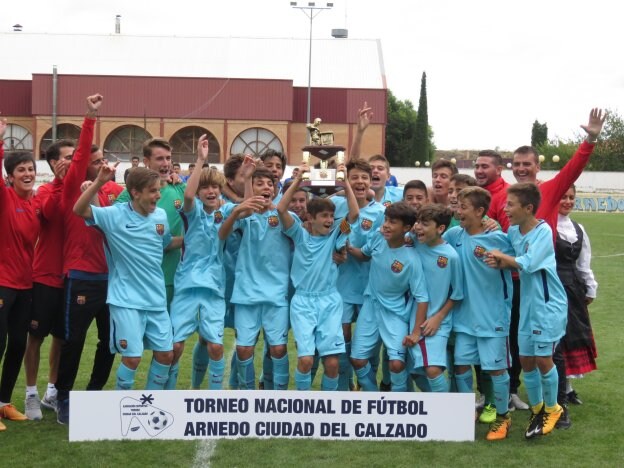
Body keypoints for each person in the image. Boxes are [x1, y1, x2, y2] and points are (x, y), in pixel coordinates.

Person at [74, 164, 182, 392]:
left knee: (166, 355)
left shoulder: (160, 216)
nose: (158, 196)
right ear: (136, 192)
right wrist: (99, 183)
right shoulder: (115, 214)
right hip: (125, 300)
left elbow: (165, 244)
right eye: (153, 191)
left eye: (158, 190)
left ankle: (154, 406)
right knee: (132, 358)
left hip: (156, 300)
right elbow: (79, 209)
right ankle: (123, 409)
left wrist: (195, 239)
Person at [55, 94, 123, 425]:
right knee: (73, 342)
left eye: (102, 162)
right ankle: (65, 398)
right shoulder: (71, 189)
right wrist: (90, 117)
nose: (100, 165)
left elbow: (138, 201)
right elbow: (81, 154)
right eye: (94, 162)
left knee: (110, 342)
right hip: (81, 277)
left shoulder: (113, 193)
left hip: (112, 281)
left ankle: (95, 394)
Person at [485, 183, 568, 439]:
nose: (505, 208)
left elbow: (528, 264)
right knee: (526, 360)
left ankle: (553, 408)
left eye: (510, 204)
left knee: (544, 360)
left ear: (528, 208)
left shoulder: (543, 231)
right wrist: (492, 228)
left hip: (547, 305)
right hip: (527, 306)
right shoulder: (512, 231)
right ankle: (537, 409)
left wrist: (503, 258)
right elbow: (507, 253)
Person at [277, 161, 359, 391]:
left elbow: (354, 214)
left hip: (330, 301)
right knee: (305, 360)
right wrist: (298, 180)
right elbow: (281, 210)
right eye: (323, 216)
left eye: (331, 216)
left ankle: (327, 410)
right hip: (303, 302)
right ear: (310, 218)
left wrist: (345, 183)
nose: (328, 220)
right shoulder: (299, 235)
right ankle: (303, 408)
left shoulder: (335, 237)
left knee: (332, 362)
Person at [442, 187, 514, 441]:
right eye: (457, 206)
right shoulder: (453, 235)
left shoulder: (499, 239)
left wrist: (504, 260)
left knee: (496, 370)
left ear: (480, 212)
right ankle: (466, 411)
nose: (458, 211)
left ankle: (503, 419)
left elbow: (521, 262)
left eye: (463, 207)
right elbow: (430, 240)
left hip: (492, 318)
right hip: (463, 318)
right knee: (461, 365)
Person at [218, 166, 293, 391]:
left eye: (270, 184)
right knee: (243, 349)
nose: (266, 187)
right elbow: (222, 234)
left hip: (276, 294)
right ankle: (248, 396)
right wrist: (236, 211)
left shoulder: (284, 215)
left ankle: (280, 397)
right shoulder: (242, 215)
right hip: (246, 293)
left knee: (278, 349)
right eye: (259, 183)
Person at [348, 202, 429, 392]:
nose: (385, 225)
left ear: (407, 228)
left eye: (392, 222)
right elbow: (365, 255)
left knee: (397, 364)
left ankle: (398, 403)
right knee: (357, 360)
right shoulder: (378, 236)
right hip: (370, 305)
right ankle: (374, 398)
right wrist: (348, 248)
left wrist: (416, 332)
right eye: (385, 220)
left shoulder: (411, 258)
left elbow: (422, 297)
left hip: (395, 312)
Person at [23, 140, 73, 420]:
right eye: (67, 157)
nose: (71, 161)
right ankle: (30, 393)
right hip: (44, 275)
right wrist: (61, 182)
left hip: (72, 275)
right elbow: (52, 214)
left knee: (62, 338)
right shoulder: (44, 190)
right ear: (54, 163)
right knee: (36, 337)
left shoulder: (81, 186)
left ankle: (51, 391)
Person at [0, 118, 43, 430]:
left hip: (26, 285)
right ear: (10, 176)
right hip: (2, 283)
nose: (27, 174)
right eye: (21, 170)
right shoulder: (5, 199)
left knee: (18, 343)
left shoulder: (34, 205)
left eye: (30, 169)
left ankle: (3, 403)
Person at [332, 159, 385, 390]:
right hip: (340, 286)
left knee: (368, 345)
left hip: (369, 287)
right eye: (355, 177)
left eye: (364, 177)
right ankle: (345, 387)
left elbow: (380, 249)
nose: (360, 182)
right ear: (346, 181)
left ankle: (368, 391)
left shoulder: (381, 212)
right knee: (342, 339)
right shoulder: (332, 204)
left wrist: (352, 250)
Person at [115, 138, 185, 311]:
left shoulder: (179, 188)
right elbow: (115, 227)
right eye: (160, 159)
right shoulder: (130, 194)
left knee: (170, 334)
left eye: (168, 158)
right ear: (146, 162)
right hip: (138, 279)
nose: (166, 163)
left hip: (173, 277)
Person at [553, 185, 598, 428]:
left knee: (572, 337)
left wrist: (590, 287)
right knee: (557, 341)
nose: (568, 201)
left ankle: (567, 388)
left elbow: (584, 263)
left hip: (573, 290)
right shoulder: (547, 226)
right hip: (552, 287)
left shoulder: (578, 229)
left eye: (572, 197)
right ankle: (557, 391)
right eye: (564, 196)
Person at [410, 204, 463, 392]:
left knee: (432, 369)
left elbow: (457, 294)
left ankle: (447, 410)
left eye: (424, 224)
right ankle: (436, 406)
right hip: (410, 317)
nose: (418, 227)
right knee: (415, 371)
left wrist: (438, 317)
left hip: (435, 321)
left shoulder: (450, 257)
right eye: (417, 222)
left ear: (440, 229)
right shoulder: (413, 242)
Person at [474, 150, 510, 232]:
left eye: (484, 167)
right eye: (477, 167)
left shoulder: (508, 195)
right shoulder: (471, 191)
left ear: (498, 170)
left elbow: (510, 234)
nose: (479, 171)